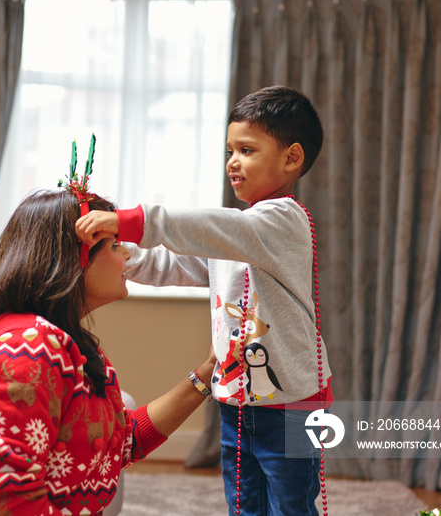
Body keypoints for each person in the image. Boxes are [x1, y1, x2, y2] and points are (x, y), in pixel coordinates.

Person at [76, 85, 333, 516]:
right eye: (230, 150)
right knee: (243, 502)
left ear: (291, 158)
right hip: (235, 402)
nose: (233, 161)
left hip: (290, 407)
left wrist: (130, 221)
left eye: (247, 150)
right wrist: (122, 252)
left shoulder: (284, 220)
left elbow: (211, 227)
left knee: (291, 506)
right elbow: (174, 265)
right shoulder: (239, 236)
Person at [0, 186, 217, 515]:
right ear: (75, 258)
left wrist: (208, 372)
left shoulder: (62, 343)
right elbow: (7, 504)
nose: (128, 256)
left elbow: (120, 442)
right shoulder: (26, 351)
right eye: (116, 245)